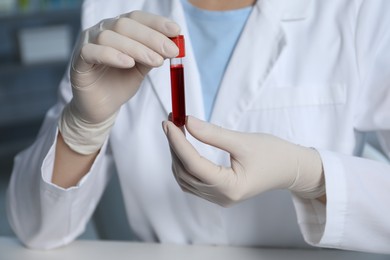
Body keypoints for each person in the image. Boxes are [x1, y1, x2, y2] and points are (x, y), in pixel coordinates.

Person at [6, 0, 390, 254]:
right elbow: (36, 229)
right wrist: (83, 125)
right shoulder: (114, 8)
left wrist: (310, 174)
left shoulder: (360, 11)